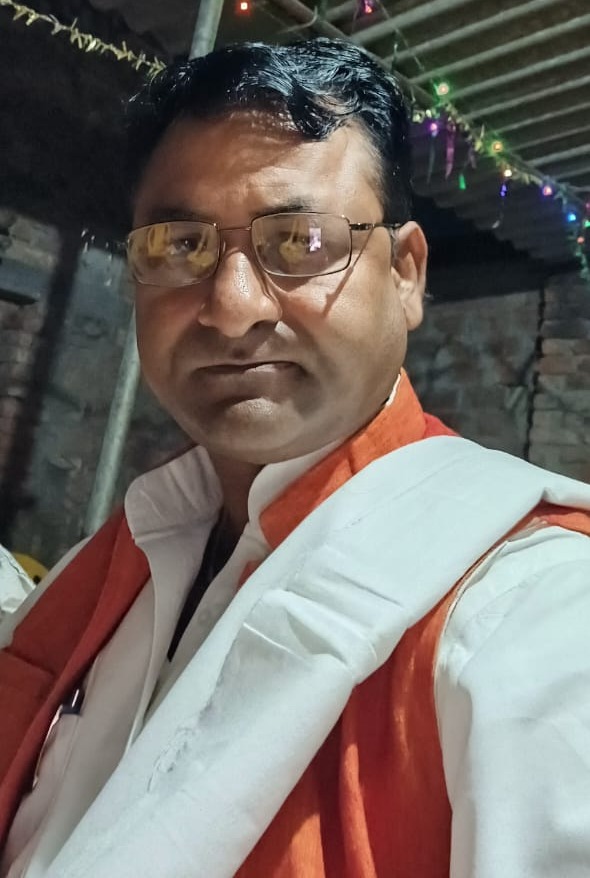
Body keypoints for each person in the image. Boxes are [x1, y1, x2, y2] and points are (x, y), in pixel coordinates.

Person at [1, 37, 590, 878]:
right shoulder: (117, 562)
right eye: (179, 245)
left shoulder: (524, 614)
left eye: (303, 241)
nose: (231, 307)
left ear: (407, 275)